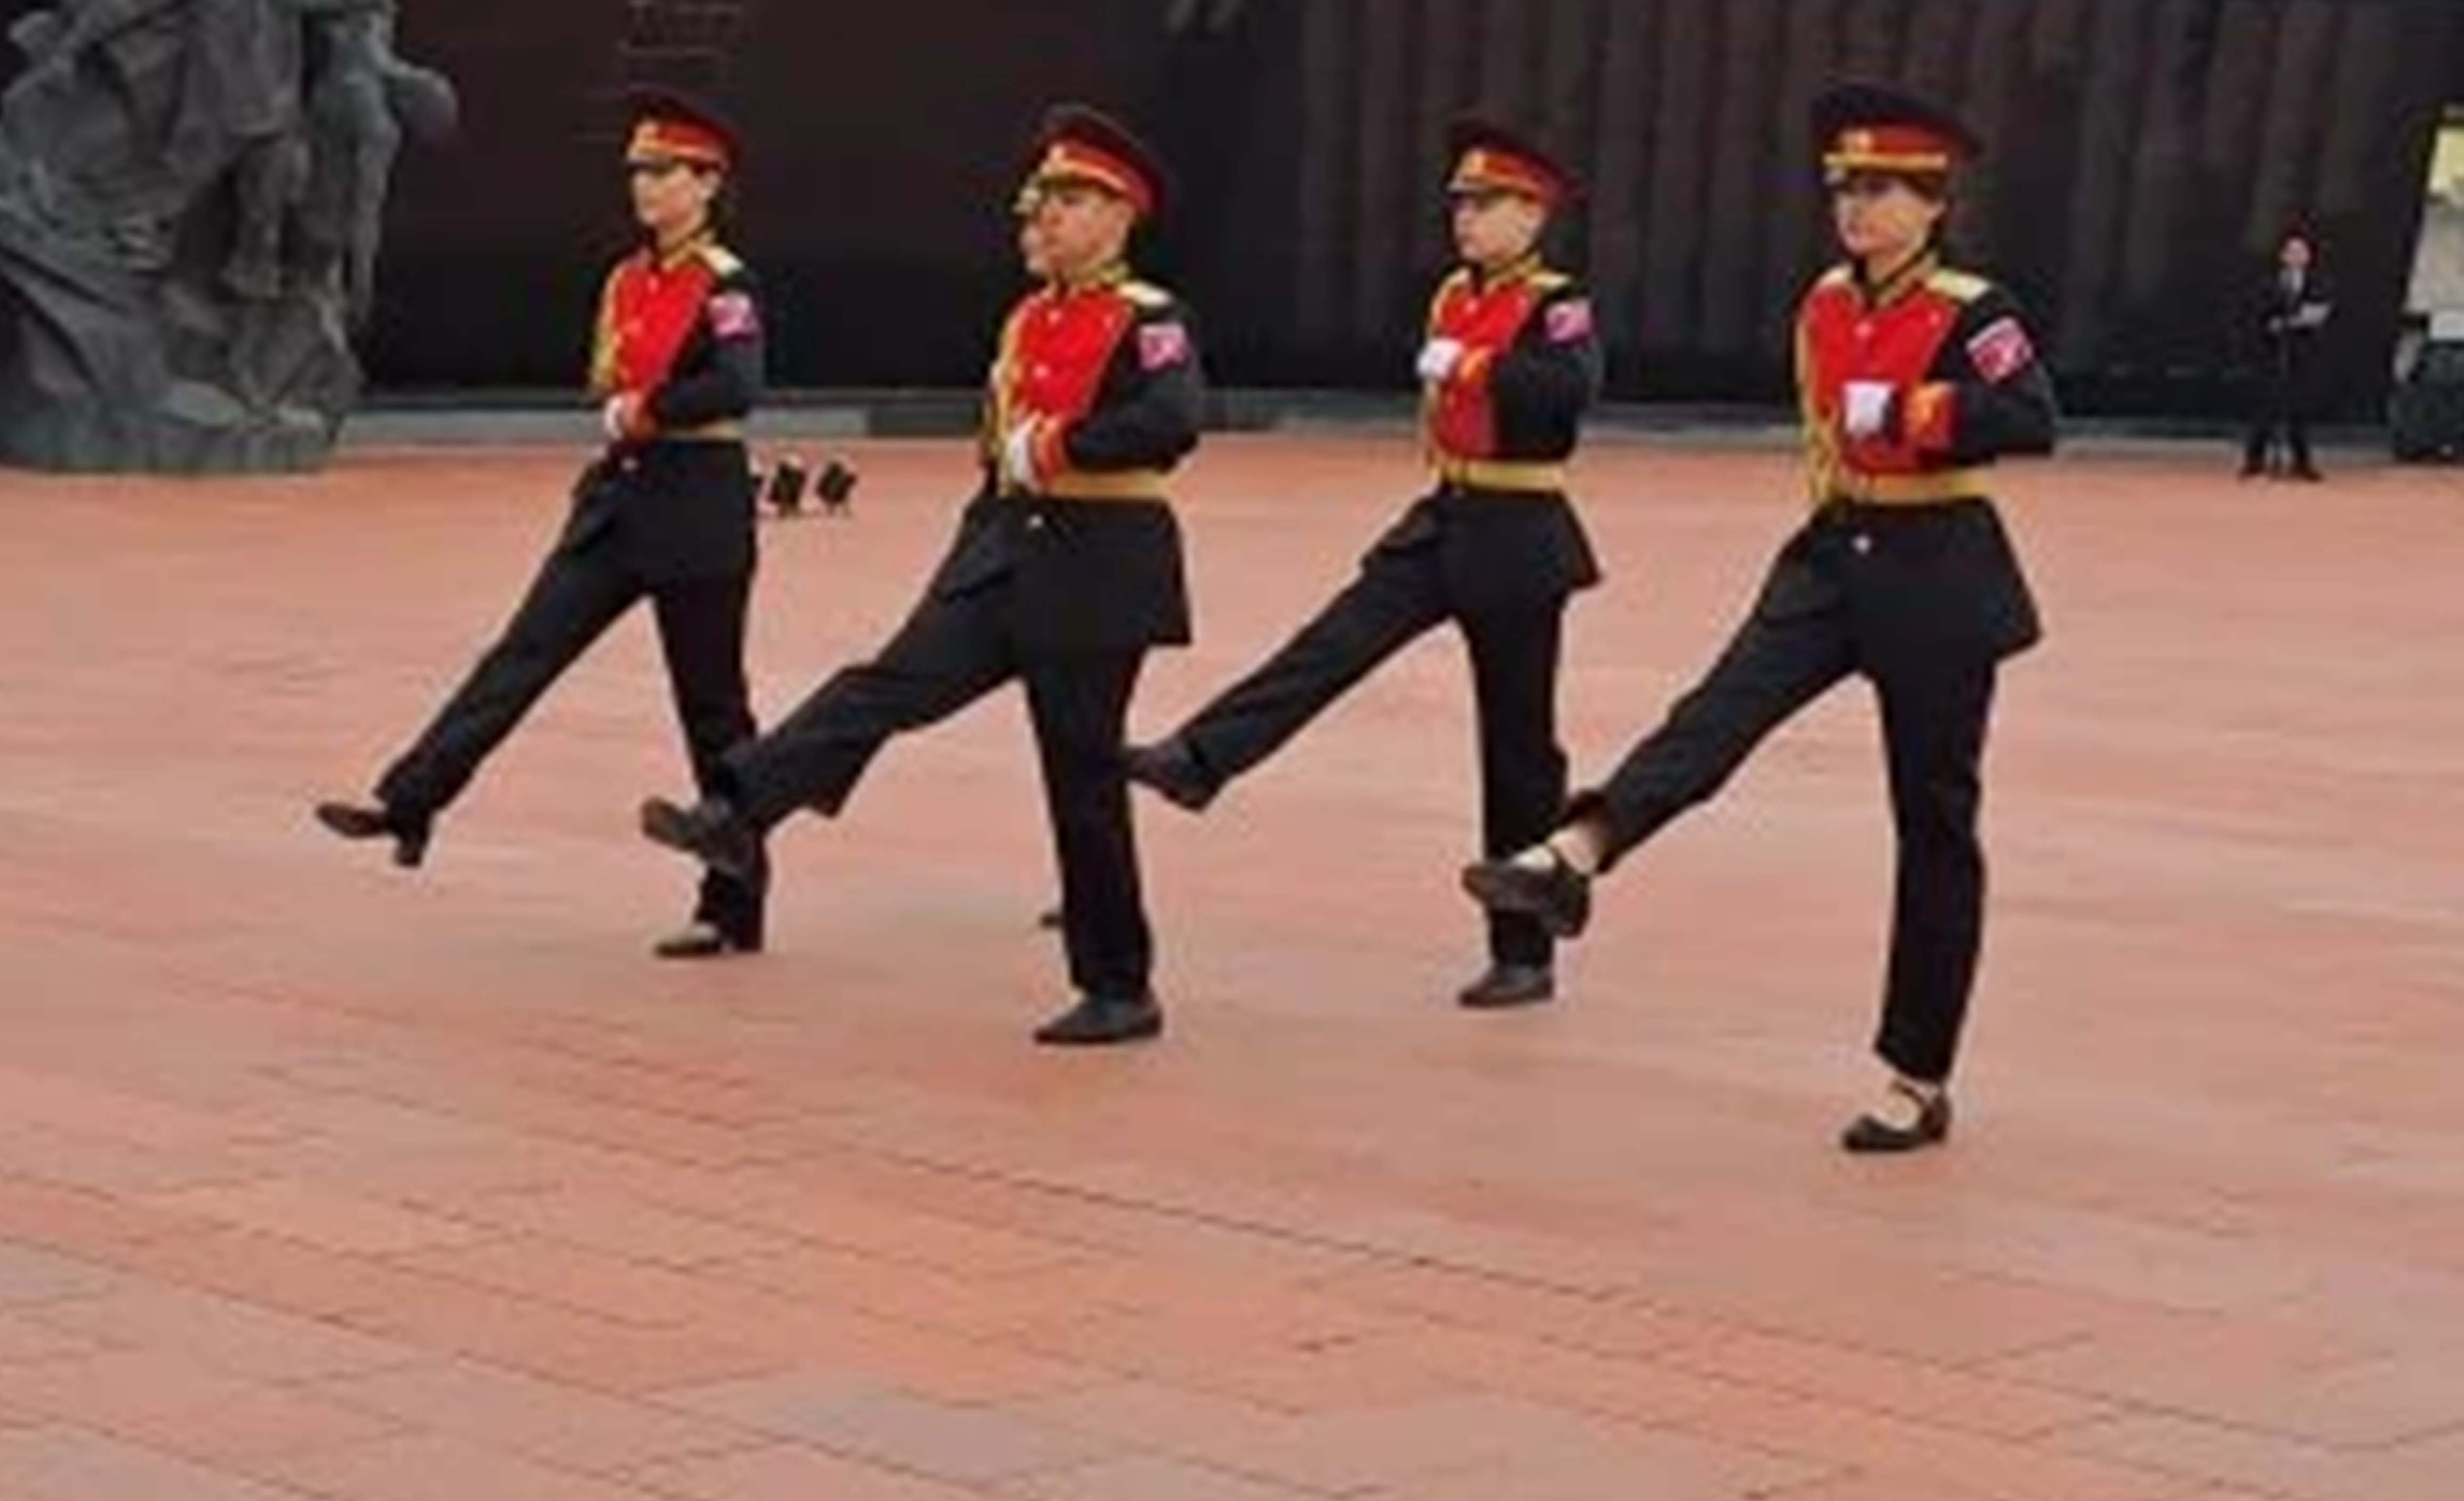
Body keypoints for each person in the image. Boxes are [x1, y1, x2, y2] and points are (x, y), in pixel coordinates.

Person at [1464, 83, 2058, 1153]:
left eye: (1883, 189)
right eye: (1846, 187)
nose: (1857, 207)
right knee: (1717, 713)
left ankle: (1917, 1075)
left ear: (1934, 203)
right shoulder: (1824, 302)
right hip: (1836, 552)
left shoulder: (1975, 309)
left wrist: (1916, 411)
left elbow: (2032, 416)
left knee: (1933, 823)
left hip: (1939, 568)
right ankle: (1577, 852)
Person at [638, 106, 1206, 1045]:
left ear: (1119, 216)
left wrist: (1061, 445)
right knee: (884, 686)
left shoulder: (1152, 320)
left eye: (1069, 201)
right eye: (1044, 201)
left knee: (1080, 778)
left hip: (1100, 563)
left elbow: (1173, 422)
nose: (1046, 217)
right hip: (1003, 551)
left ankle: (1119, 987)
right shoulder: (1028, 318)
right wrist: (979, 536)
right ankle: (737, 807)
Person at [1125, 115, 1603, 1008]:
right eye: (1461, 204)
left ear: (1533, 216)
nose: (1466, 219)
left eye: (1487, 204)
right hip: (1448, 513)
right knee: (1332, 644)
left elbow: (1572, 390)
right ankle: (1202, 759)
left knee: (1517, 746)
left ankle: (1524, 951)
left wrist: (1474, 365)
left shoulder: (1556, 303)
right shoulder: (1451, 294)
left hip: (1521, 526)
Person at [314, 87, 771, 958]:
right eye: (638, 171)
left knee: (712, 708)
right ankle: (411, 800)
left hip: (697, 503)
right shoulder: (627, 279)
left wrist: (647, 411)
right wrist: (626, 418)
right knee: (522, 654)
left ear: (708, 184)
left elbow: (738, 387)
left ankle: (732, 905)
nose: (645, 186)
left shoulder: (727, 285)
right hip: (619, 502)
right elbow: (607, 376)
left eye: (665, 171)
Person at [2242, 230, 2331, 480]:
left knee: (2299, 411)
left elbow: (2322, 310)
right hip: (2273, 353)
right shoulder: (2270, 283)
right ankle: (2254, 461)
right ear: (2283, 256)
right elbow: (2257, 312)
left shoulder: (2318, 283)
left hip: (2302, 355)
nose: (2297, 257)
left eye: (2301, 252)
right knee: (2265, 408)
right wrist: (2272, 324)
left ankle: (2302, 463)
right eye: (2292, 252)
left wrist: (2306, 320)